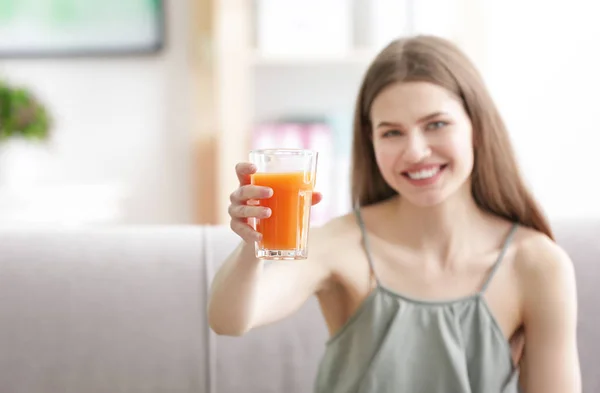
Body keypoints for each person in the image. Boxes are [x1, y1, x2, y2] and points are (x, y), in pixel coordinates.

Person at [207, 35, 581, 393]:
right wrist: (253, 247)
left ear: (477, 127)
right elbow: (230, 320)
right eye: (391, 133)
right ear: (371, 143)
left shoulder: (537, 265)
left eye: (436, 124)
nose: (416, 151)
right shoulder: (339, 243)